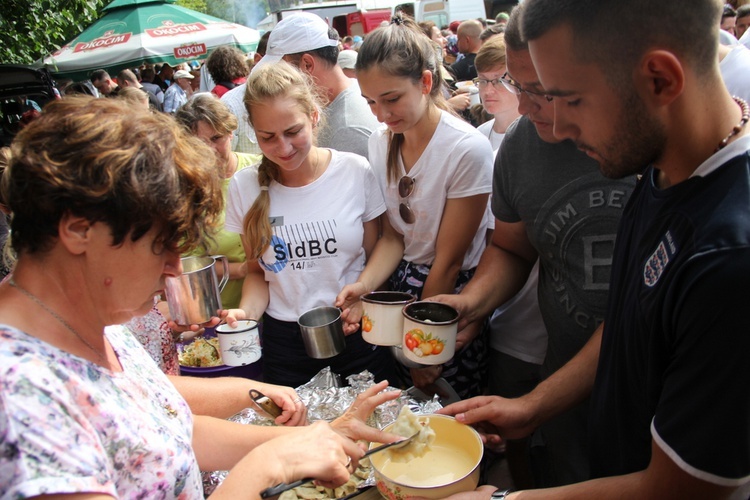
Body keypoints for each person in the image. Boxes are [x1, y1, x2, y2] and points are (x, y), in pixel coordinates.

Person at [0, 95, 405, 498]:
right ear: (78, 231)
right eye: (160, 244)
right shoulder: (20, 396)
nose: (175, 268)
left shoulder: (90, 320)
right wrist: (274, 463)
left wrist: (310, 435)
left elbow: (164, 422)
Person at [440, 0, 750, 498]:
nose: (557, 127)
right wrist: (536, 405)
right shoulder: (663, 170)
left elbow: (682, 488)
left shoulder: (729, 257)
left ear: (659, 80)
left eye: (569, 98)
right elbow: (627, 318)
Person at [433, 4, 636, 488]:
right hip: (564, 383)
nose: (524, 107)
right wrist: (471, 302)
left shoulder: (651, 146)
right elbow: (514, 248)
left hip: (652, 390)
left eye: (542, 90)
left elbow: (635, 314)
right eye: (515, 86)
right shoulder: (522, 145)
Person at [340, 14, 494, 400]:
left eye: (391, 99)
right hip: (399, 286)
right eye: (370, 102)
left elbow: (448, 261)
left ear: (425, 82)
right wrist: (365, 286)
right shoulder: (380, 140)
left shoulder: (465, 149)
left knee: (451, 412)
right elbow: (394, 235)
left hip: (445, 296)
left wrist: (420, 344)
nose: (380, 114)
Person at [221, 61, 398, 388]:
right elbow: (259, 273)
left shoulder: (354, 171)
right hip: (285, 345)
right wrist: (245, 316)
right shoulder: (244, 187)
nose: (283, 148)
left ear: (314, 116)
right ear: (253, 132)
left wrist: (365, 291)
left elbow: (384, 244)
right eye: (268, 137)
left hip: (356, 328)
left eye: (293, 132)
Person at [253, 13, 380, 160]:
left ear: (307, 64)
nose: (278, 81)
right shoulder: (353, 93)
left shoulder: (346, 130)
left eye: (282, 72)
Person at [175, 94, 261, 310]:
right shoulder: (185, 191)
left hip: (279, 307)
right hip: (223, 310)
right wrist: (241, 269)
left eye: (216, 138)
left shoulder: (262, 170)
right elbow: (186, 264)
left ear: (231, 132)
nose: (211, 150)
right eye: (199, 143)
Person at [473, 36, 520, 150]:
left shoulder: (538, 135)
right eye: (483, 81)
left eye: (499, 81)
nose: (488, 91)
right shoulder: (479, 136)